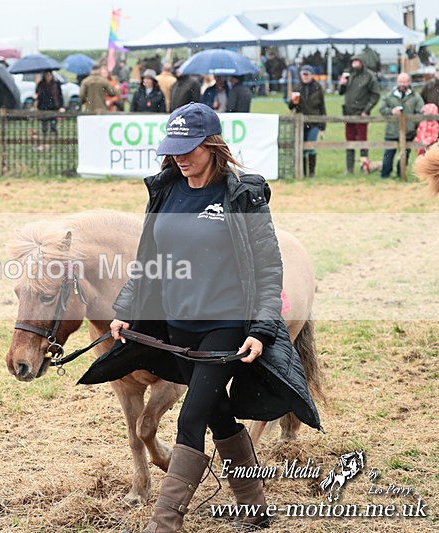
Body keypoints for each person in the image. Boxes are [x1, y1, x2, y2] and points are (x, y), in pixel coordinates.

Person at [108, 102, 321, 532]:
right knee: (218, 413)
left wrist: (261, 327)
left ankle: (165, 523)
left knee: (191, 418)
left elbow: (267, 265)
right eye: (174, 149)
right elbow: (149, 259)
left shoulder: (242, 193)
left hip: (226, 324)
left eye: (189, 149)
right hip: (177, 325)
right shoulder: (166, 189)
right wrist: (127, 309)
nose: (180, 157)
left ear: (212, 145)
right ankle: (254, 508)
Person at [338, 53, 380, 173]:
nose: (354, 64)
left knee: (362, 141)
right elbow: (341, 93)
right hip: (348, 113)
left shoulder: (369, 76)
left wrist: (366, 110)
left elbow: (375, 95)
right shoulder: (349, 75)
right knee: (349, 141)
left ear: (362, 62)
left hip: (361, 113)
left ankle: (364, 167)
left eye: (357, 61)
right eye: (353, 61)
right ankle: (349, 168)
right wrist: (342, 84)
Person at [378, 73, 424, 179]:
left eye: (405, 81)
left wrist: (413, 120)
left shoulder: (415, 96)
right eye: (400, 81)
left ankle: (401, 174)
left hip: (408, 131)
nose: (402, 84)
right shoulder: (390, 95)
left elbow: (420, 111)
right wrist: (391, 111)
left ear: (409, 82)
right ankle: (385, 175)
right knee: (388, 155)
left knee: (404, 155)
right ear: (397, 82)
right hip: (392, 130)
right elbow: (382, 109)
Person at [288, 64, 327, 177]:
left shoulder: (317, 87)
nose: (305, 77)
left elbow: (322, 106)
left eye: (307, 74)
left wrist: (323, 126)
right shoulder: (297, 87)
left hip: (314, 121)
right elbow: (291, 107)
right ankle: (303, 172)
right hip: (301, 123)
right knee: (302, 147)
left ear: (311, 75)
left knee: (311, 146)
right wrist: (293, 101)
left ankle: (312, 172)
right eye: (303, 74)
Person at [34, 70, 64, 141]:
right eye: (46, 75)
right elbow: (37, 94)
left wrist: (61, 106)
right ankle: (45, 140)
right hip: (43, 107)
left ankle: (55, 139)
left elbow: (60, 96)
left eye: (49, 75)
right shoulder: (41, 84)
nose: (48, 76)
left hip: (54, 107)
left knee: (53, 126)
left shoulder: (56, 84)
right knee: (44, 126)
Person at [421, 62, 439, 141]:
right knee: (432, 148)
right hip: (432, 123)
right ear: (436, 72)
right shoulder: (429, 86)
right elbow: (421, 101)